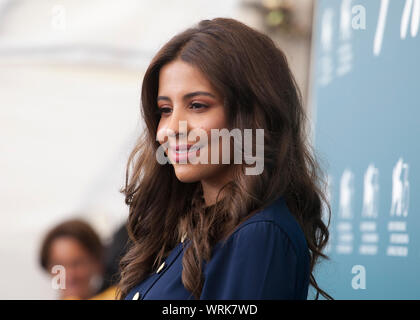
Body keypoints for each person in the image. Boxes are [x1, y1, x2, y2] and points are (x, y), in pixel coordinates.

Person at [117, 17, 332, 300]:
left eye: (197, 105)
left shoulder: (259, 236)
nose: (171, 129)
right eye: (165, 110)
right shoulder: (185, 226)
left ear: (252, 114)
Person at [39, 218, 117, 300]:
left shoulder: (121, 296)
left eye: (77, 263)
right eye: (59, 266)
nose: (69, 275)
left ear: (97, 262)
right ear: (48, 269)